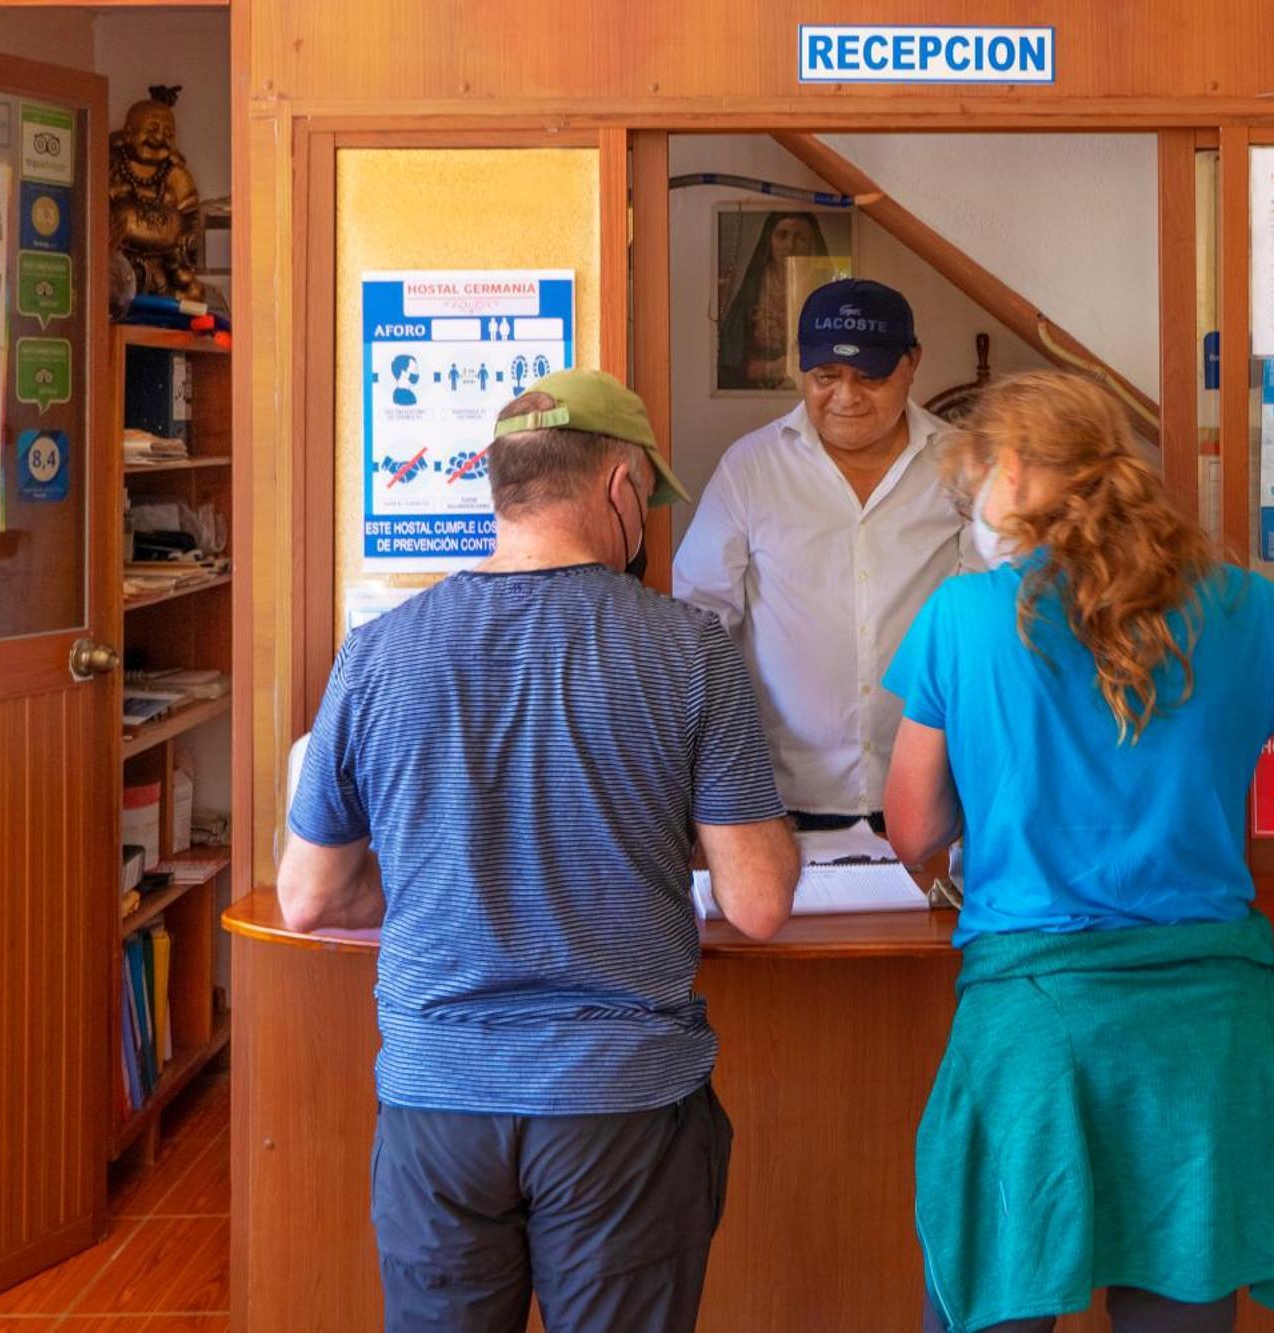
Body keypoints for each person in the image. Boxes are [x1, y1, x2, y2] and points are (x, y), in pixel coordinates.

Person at [882, 370, 1274, 1333]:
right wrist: (1248, 697)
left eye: (975, 486)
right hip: (1204, 1032)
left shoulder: (960, 621)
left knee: (997, 1294)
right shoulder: (1234, 606)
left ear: (1012, 474)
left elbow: (914, 829)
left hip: (1035, 1029)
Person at [277, 368, 801, 1333]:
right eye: (648, 499)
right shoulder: (691, 649)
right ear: (619, 486)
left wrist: (451, 890)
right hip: (622, 1106)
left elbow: (308, 896)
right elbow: (759, 900)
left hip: (437, 1102)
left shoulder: (377, 651)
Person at [677, 277, 973, 833]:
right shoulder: (751, 469)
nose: (846, 396)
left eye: (871, 377)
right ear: (800, 367)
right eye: (825, 376)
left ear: (913, 364)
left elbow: (991, 615)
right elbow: (699, 622)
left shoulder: (962, 465)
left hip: (934, 793)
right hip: (780, 798)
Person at [716, 211, 830, 389]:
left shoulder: (823, 289)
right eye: (782, 236)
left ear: (812, 244)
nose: (790, 246)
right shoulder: (754, 286)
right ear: (769, 241)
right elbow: (731, 360)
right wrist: (770, 369)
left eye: (800, 238)